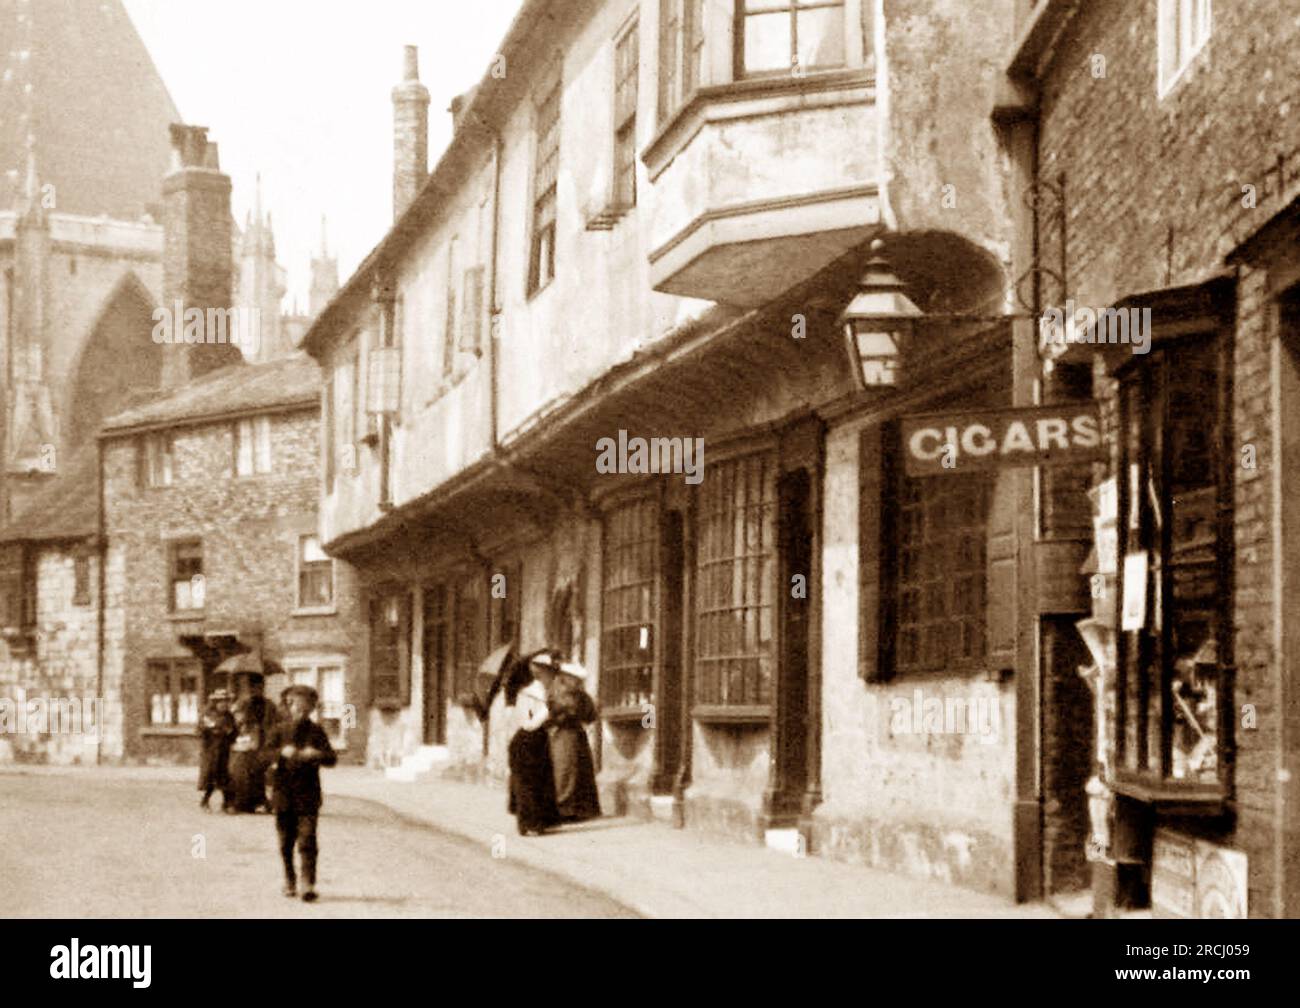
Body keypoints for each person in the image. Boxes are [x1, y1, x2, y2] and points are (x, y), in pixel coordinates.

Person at [264, 684, 336, 902]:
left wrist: (317, 754)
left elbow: (332, 758)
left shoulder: (317, 731)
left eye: (307, 709)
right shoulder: (278, 730)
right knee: (286, 841)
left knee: (308, 839)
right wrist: (280, 753)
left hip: (308, 794)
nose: (301, 713)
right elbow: (262, 756)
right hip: (283, 793)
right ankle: (289, 880)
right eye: (298, 707)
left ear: (312, 709)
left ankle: (308, 883)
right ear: (289, 706)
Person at [505, 652, 560, 836]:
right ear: (539, 674)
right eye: (548, 673)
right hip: (526, 740)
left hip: (538, 740)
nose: (552, 677)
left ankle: (537, 821)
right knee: (528, 781)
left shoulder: (545, 693)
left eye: (552, 673)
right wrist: (547, 713)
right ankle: (529, 822)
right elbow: (527, 722)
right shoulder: (529, 693)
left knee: (540, 780)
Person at [543, 659, 601, 823]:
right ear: (565, 677)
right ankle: (562, 808)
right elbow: (546, 713)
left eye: (578, 680)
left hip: (576, 734)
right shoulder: (554, 692)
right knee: (564, 769)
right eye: (574, 679)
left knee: (579, 770)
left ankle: (579, 809)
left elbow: (590, 715)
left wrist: (584, 712)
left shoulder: (581, 696)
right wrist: (561, 714)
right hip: (561, 734)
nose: (576, 683)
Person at [228, 673, 278, 813]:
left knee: (260, 773)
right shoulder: (243, 703)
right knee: (243, 772)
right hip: (247, 742)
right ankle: (242, 803)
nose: (257, 690)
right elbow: (236, 720)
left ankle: (259, 801)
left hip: (264, 742)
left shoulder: (269, 705)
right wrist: (242, 720)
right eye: (253, 687)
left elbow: (275, 722)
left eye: (260, 687)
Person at [196, 689, 236, 812]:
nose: (224, 704)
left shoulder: (229, 716)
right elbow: (199, 731)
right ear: (215, 703)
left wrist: (231, 733)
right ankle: (205, 801)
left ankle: (227, 803)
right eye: (221, 702)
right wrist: (212, 729)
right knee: (211, 776)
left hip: (224, 750)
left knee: (224, 776)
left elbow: (234, 731)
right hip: (210, 751)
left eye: (226, 702)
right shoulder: (208, 715)